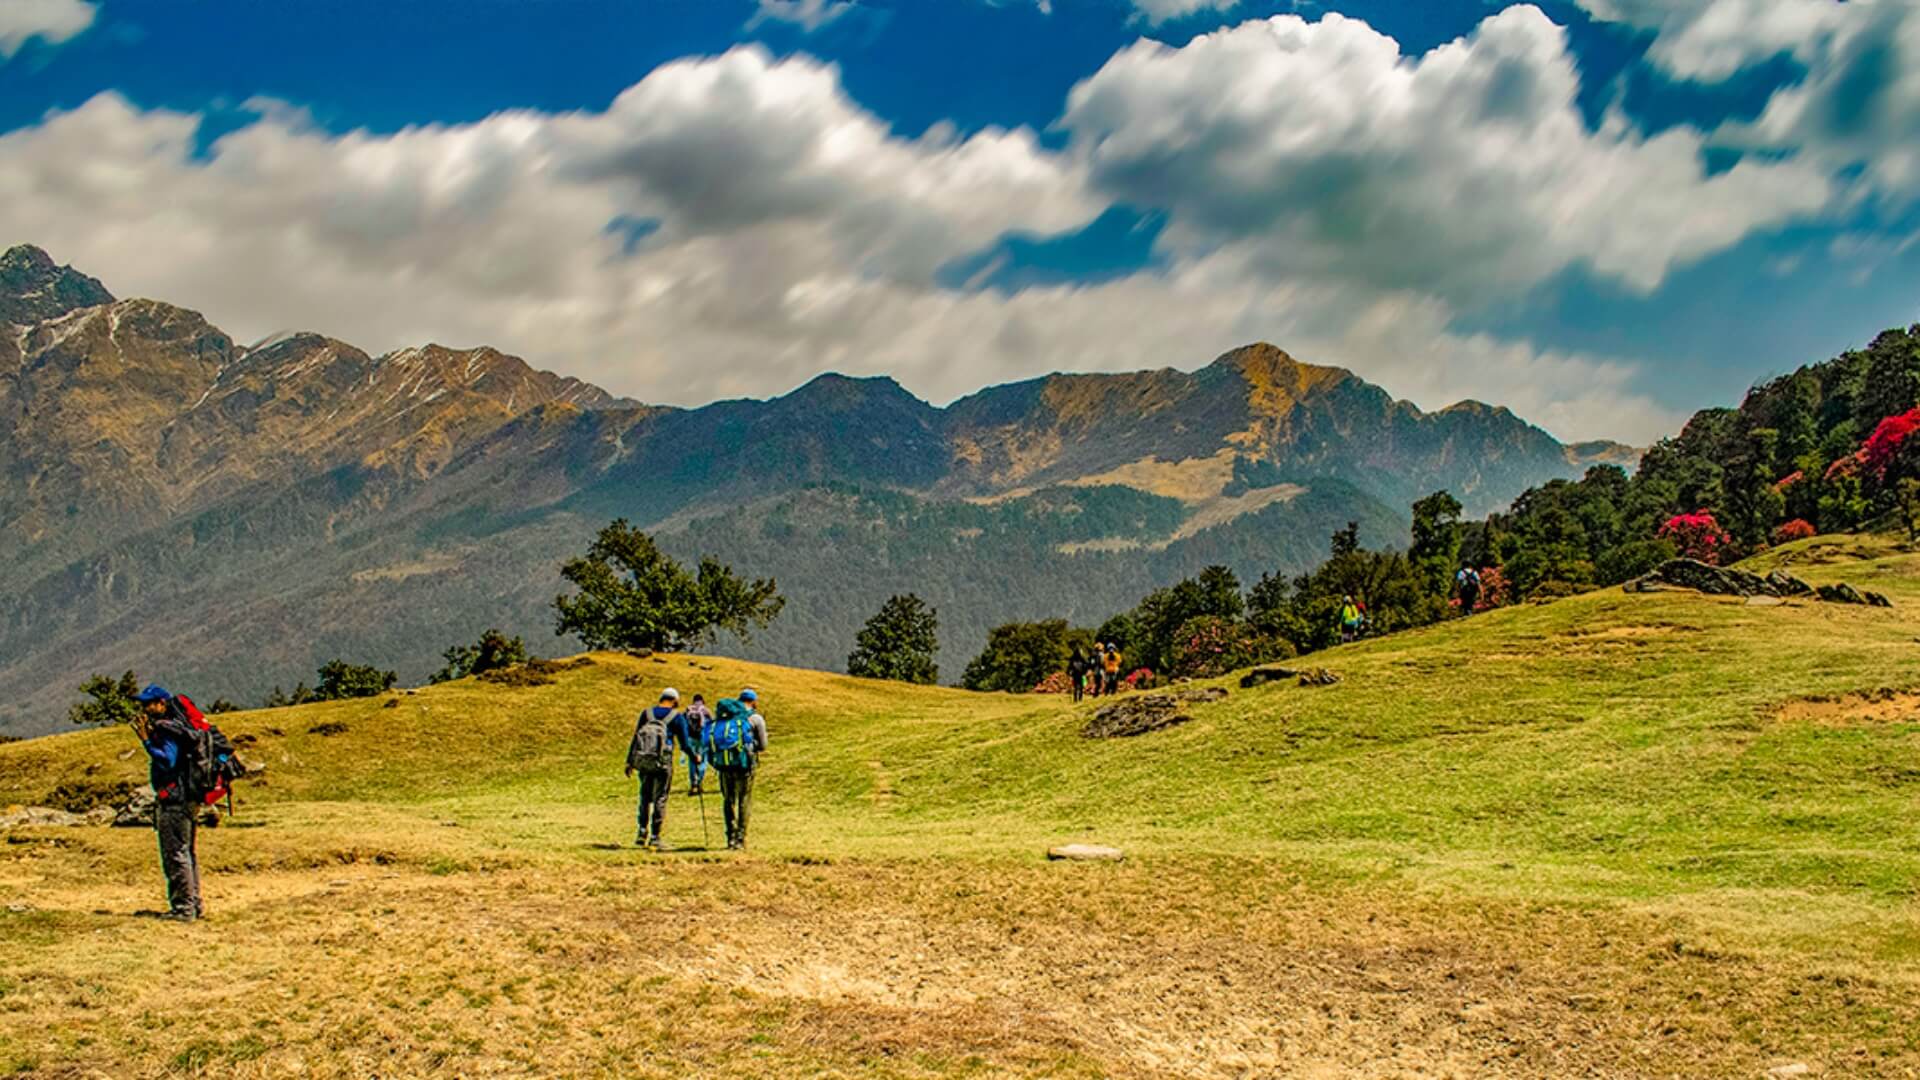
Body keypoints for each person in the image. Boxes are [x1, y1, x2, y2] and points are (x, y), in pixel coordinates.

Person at [131, 685, 203, 922]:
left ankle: (183, 908)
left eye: (149, 704)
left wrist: (146, 742)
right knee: (187, 852)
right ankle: (194, 904)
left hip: (174, 799)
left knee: (175, 854)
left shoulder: (166, 728)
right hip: (189, 797)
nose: (145, 709)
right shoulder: (181, 727)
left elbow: (167, 760)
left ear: (162, 703)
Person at [624, 687, 700, 850]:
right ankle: (655, 836)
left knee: (644, 796)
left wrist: (630, 761)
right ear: (675, 701)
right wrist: (695, 758)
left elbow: (636, 737)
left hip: (644, 760)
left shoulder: (647, 713)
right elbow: (685, 744)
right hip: (663, 761)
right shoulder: (677, 717)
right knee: (660, 797)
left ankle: (641, 832)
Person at [704, 688, 769, 851]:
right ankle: (740, 838)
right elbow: (763, 746)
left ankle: (730, 837)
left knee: (728, 799)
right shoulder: (755, 718)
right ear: (753, 701)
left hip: (725, 765)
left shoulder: (725, 718)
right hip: (745, 765)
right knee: (744, 799)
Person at [682, 694, 712, 796]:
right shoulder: (706, 711)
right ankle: (699, 782)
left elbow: (683, 724)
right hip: (703, 738)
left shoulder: (688, 710)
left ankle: (693, 784)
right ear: (703, 700)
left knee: (692, 760)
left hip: (690, 738)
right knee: (703, 760)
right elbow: (711, 724)